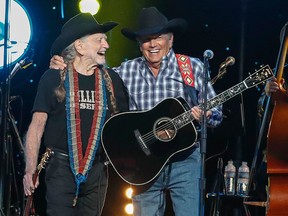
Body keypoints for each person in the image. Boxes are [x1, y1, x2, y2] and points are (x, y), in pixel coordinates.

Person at [50, 7, 223, 216]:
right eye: (145, 39)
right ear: (139, 44)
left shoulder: (191, 67)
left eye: (157, 37)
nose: (152, 44)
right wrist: (65, 64)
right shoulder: (126, 70)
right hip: (144, 162)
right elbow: (89, 73)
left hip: (184, 160)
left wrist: (207, 115)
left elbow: (215, 110)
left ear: (171, 39)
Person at [23, 13, 129, 216]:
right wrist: (30, 170)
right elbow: (36, 127)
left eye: (105, 39)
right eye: (99, 40)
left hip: (97, 170)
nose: (106, 45)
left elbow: (123, 126)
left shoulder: (112, 80)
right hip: (60, 168)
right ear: (79, 47)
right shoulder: (53, 78)